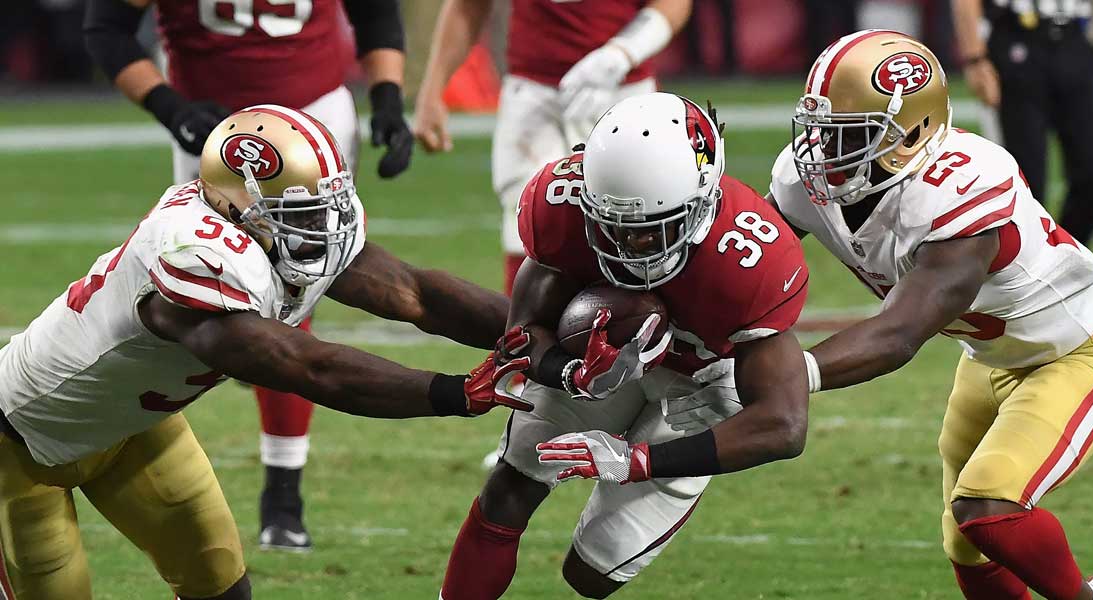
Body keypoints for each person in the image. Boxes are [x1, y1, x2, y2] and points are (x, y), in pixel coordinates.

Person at [0, 106, 523, 600]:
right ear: (233, 204)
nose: (320, 228)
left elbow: (415, 293)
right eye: (298, 214)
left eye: (323, 208)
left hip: (135, 428)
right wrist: (454, 392)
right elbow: (309, 368)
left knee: (221, 586)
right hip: (22, 444)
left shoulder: (267, 233)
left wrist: (536, 332)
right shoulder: (194, 253)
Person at [755, 30, 1093, 600]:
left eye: (849, 134)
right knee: (965, 542)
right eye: (820, 131)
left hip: (1078, 353)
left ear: (912, 131)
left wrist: (791, 373)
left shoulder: (961, 187)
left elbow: (899, 333)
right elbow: (749, 263)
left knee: (989, 508)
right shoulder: (808, 180)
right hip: (987, 357)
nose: (823, 152)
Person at [438, 92, 813, 600]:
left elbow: (784, 425)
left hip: (695, 385)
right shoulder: (561, 205)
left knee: (591, 573)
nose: (626, 244)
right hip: (600, 355)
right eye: (611, 225)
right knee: (511, 485)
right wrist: (570, 373)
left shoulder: (752, 259)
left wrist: (638, 461)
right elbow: (524, 331)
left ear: (702, 203)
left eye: (649, 230)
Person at [82, 0, 417, 550]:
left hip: (312, 120)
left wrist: (387, 97)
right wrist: (172, 108)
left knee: (295, 298)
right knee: (194, 301)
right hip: (216, 134)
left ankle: (283, 496)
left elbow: (375, 11)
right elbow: (106, 29)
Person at [413, 0, 693, 294]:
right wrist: (432, 90)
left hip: (620, 88)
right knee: (527, 221)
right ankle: (525, 323)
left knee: (641, 225)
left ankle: (642, 321)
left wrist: (621, 54)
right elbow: (468, 6)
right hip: (532, 91)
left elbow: (674, 3)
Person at [951, 0, 1093, 245]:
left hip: (1073, 37)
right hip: (1016, 39)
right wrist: (975, 58)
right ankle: (1026, 260)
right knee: (1023, 186)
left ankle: (1063, 255)